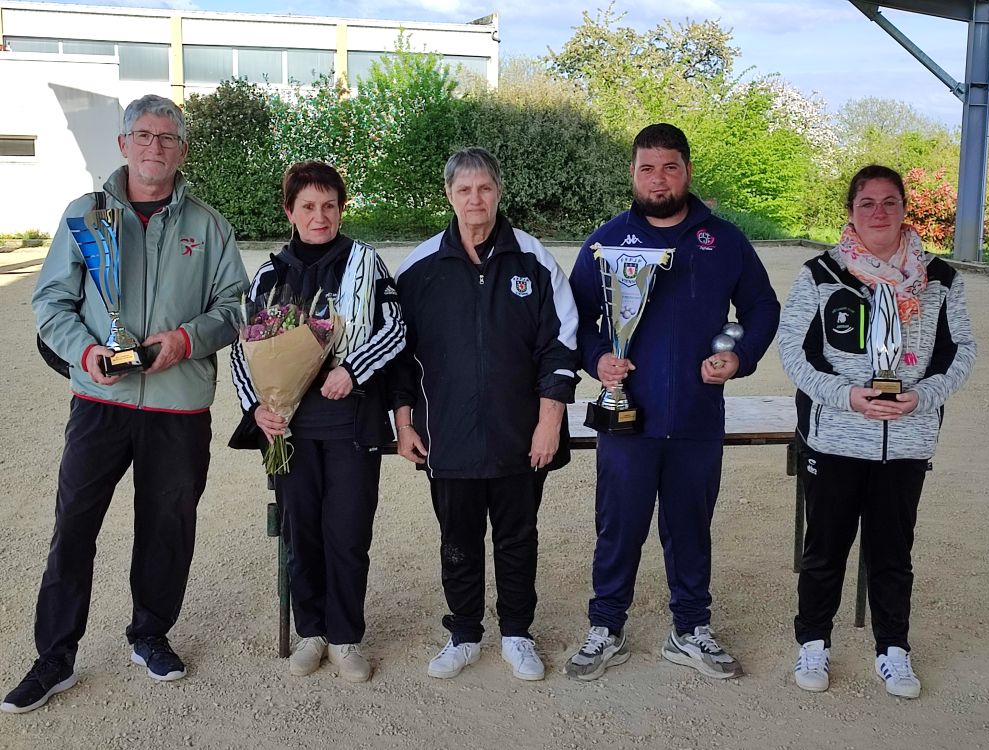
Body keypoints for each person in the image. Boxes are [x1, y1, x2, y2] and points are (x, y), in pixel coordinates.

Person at [3, 95, 248, 714]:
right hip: (100, 401)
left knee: (168, 527)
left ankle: (150, 634)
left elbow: (236, 309)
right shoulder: (84, 216)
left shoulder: (209, 226)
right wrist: (85, 353)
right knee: (73, 527)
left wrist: (187, 340)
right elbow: (50, 302)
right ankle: (55, 657)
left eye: (167, 138)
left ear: (182, 149)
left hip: (178, 406)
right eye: (143, 135)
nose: (154, 147)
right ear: (123, 144)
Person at [565, 123, 780, 681]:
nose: (658, 180)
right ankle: (606, 627)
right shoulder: (607, 242)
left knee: (690, 527)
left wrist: (740, 357)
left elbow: (763, 307)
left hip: (695, 416)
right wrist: (598, 359)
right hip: (625, 418)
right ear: (632, 174)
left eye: (669, 168)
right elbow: (575, 318)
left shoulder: (723, 240)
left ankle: (690, 629)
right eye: (647, 169)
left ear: (687, 171)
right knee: (618, 527)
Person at [777, 165, 975, 699]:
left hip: (906, 441)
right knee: (824, 551)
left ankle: (893, 650)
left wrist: (923, 396)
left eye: (890, 202)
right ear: (851, 212)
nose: (879, 212)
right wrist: (846, 396)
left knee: (892, 554)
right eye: (867, 203)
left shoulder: (941, 279)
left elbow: (960, 351)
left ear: (905, 209)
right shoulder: (820, 274)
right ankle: (813, 641)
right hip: (836, 439)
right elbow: (794, 352)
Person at [392, 147, 579, 681]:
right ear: (449, 195)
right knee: (458, 541)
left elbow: (561, 344)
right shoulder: (419, 268)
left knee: (518, 538)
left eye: (485, 188)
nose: (475, 199)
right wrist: (403, 423)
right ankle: (464, 634)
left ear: (499, 192)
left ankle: (518, 633)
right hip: (446, 436)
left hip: (521, 436)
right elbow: (396, 355)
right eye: (464, 190)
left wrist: (549, 422)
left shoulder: (534, 260)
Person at [229, 161, 406, 681]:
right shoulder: (270, 274)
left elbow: (396, 328)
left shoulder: (366, 263)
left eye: (329, 205)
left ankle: (346, 637)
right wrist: (257, 407)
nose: (319, 216)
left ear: (341, 209)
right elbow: (243, 350)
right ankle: (312, 631)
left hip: (351, 423)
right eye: (307, 206)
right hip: (291, 431)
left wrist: (353, 369)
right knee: (300, 533)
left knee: (347, 533)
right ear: (290, 212)